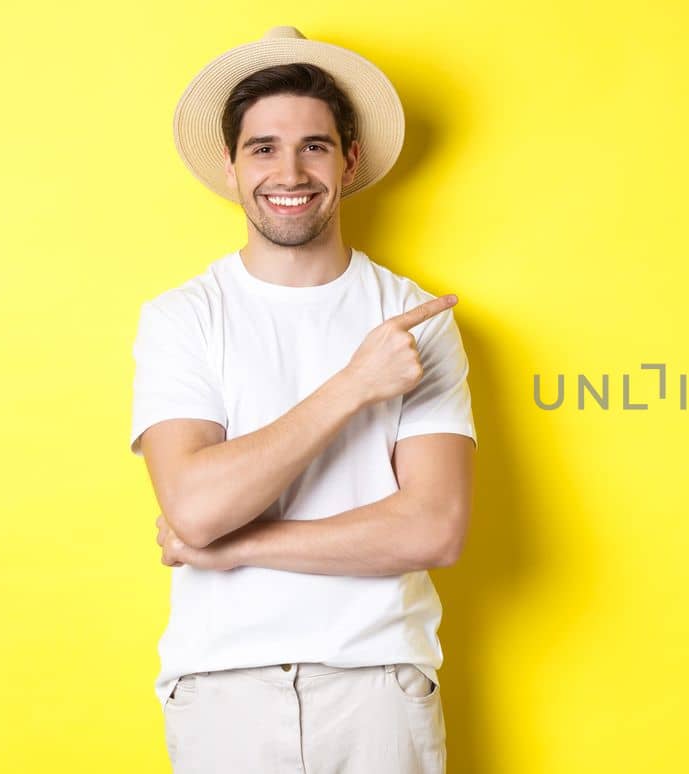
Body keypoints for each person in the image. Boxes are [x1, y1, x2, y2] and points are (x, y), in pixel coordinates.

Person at [130, 26, 474, 773]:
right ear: (230, 166)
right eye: (263, 147)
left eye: (315, 145)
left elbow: (434, 529)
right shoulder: (182, 317)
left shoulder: (416, 319)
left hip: (379, 685)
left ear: (349, 161)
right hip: (223, 691)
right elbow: (194, 507)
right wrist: (354, 385)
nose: (290, 170)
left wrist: (239, 547)